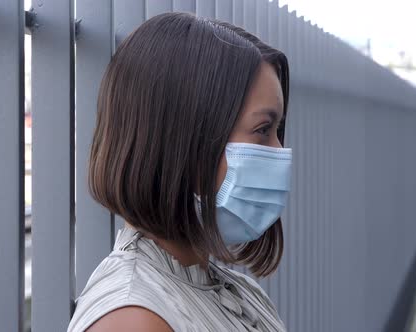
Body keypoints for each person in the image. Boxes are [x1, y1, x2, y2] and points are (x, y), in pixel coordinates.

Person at [67, 11, 292, 332]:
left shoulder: (236, 292)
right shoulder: (132, 320)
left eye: (277, 129)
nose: (279, 151)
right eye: (263, 129)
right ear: (181, 138)